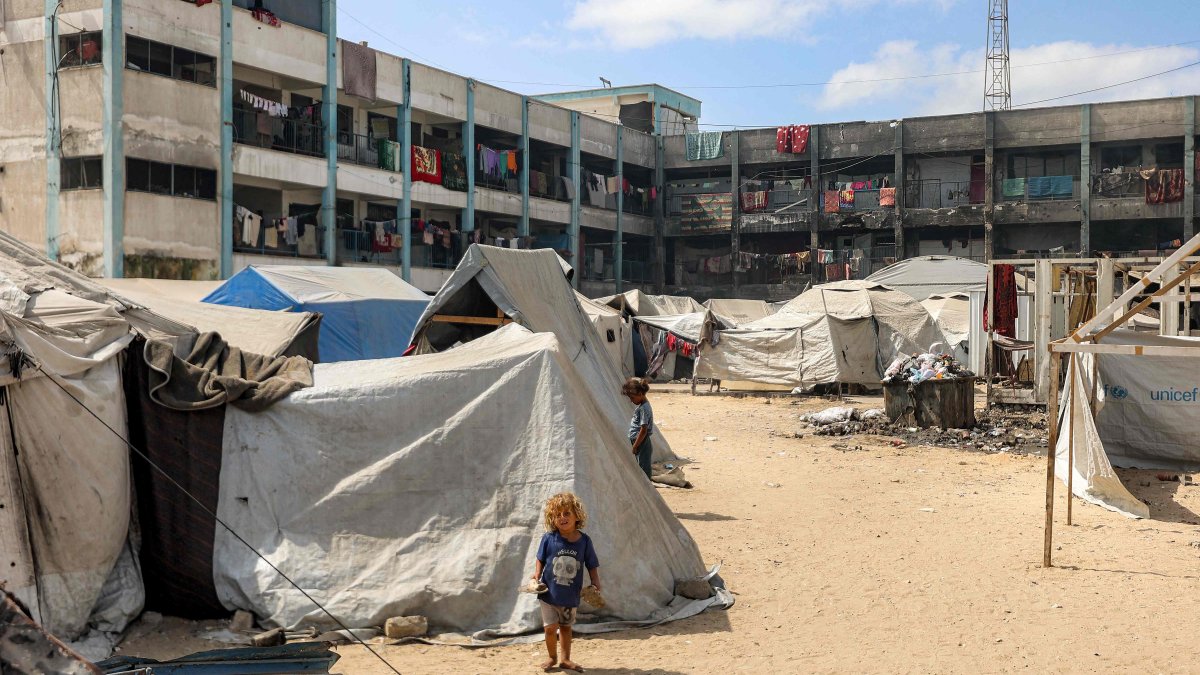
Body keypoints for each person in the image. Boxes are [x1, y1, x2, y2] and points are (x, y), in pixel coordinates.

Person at [532, 492, 600, 673]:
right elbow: (540, 558)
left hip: (570, 595)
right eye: (557, 515)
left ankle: (566, 659)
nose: (562, 518)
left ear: (577, 515)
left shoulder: (584, 541)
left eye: (566, 513)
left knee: (565, 627)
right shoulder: (548, 538)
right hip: (548, 593)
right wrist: (536, 575)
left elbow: (591, 564)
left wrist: (595, 582)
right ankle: (552, 657)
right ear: (552, 519)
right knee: (549, 628)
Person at [623, 377, 654, 479]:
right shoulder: (642, 406)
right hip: (640, 441)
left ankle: (647, 489)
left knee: (643, 468)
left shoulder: (644, 409)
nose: (631, 401)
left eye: (632, 398)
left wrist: (635, 446)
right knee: (641, 465)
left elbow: (643, 429)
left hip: (641, 442)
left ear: (640, 394)